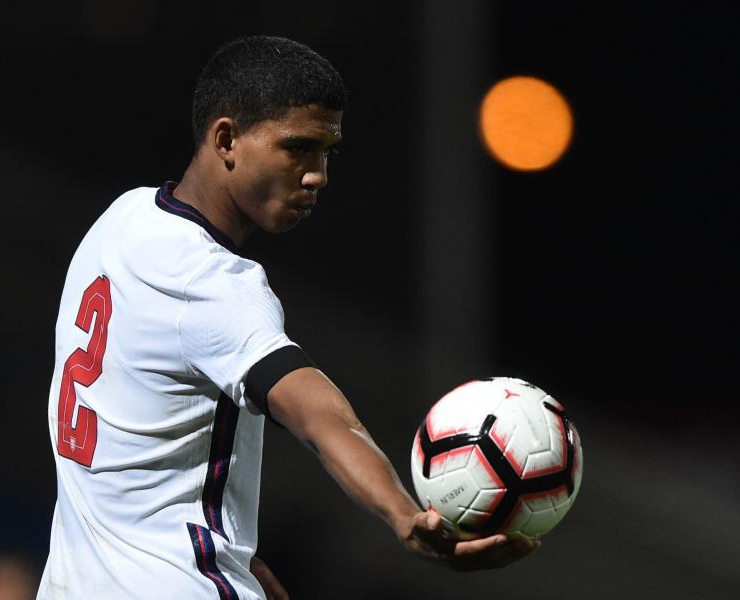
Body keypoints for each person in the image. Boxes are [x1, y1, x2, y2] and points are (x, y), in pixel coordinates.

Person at [38, 35, 537, 600]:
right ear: (225, 138)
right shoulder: (216, 284)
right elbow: (319, 416)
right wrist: (402, 514)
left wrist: (235, 547)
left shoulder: (120, 221)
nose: (317, 174)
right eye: (298, 147)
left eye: (328, 151)